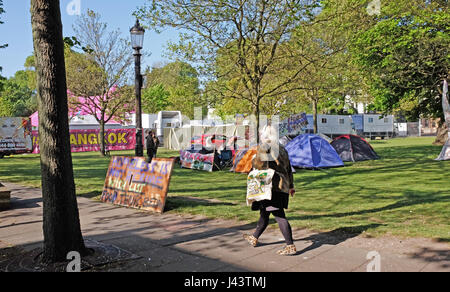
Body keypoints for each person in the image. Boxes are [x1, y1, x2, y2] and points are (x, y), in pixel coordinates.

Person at [243, 125, 296, 256]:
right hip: (282, 185)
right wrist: (291, 186)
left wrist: (253, 159)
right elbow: (288, 169)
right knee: (264, 213)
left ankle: (290, 245)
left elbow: (259, 165)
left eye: (262, 133)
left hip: (270, 186)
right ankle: (254, 237)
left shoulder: (265, 146)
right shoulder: (282, 148)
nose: (260, 135)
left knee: (279, 215)